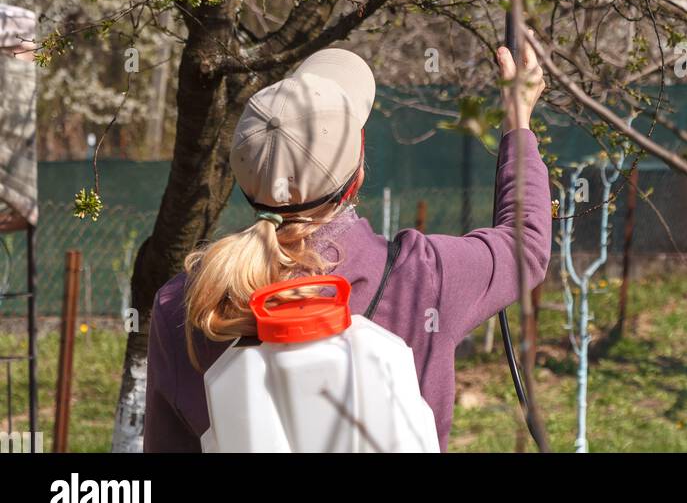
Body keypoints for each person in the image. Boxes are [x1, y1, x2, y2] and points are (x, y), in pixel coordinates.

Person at [143, 38, 551, 452]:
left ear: (247, 185)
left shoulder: (184, 306)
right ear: (356, 175)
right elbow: (527, 244)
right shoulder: (422, 278)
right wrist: (518, 123)